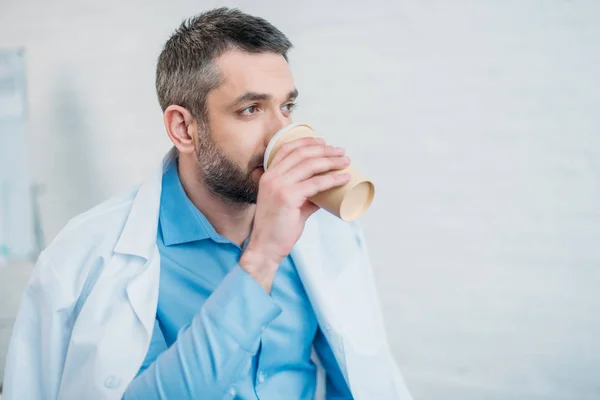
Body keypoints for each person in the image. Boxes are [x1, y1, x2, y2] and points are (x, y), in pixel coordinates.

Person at [3, 7, 413, 400]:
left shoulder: (325, 232)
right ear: (183, 128)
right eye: (251, 109)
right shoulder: (87, 254)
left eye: (286, 107)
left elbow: (359, 379)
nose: (281, 134)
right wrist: (262, 258)